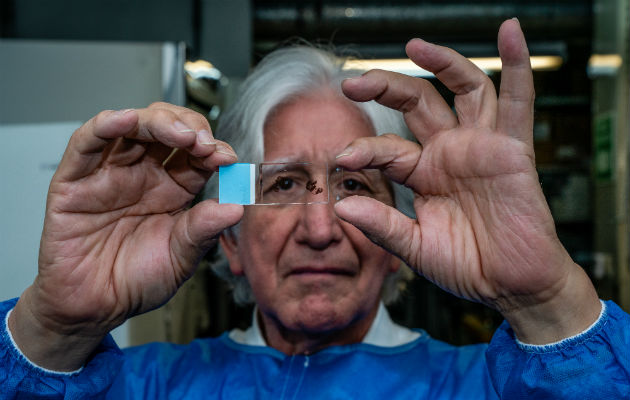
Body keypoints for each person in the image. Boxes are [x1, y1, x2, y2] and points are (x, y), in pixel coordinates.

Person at [1, 19, 628, 399]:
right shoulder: (134, 388)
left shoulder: (494, 388)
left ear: (403, 240)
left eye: (355, 186)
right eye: (282, 185)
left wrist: (547, 304)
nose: (320, 228)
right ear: (228, 238)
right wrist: (53, 330)